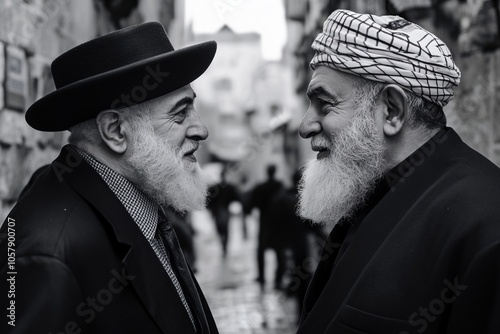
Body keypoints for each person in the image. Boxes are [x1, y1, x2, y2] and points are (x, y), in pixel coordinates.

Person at [0, 22, 218, 333]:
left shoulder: (139, 201)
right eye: (180, 113)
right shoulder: (48, 251)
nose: (201, 129)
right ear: (115, 131)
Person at [296, 9, 500, 334]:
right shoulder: (373, 191)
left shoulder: (485, 223)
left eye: (325, 103)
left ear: (392, 110)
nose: (305, 126)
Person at [249, 164, 284, 290]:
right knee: (279, 250)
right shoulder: (279, 186)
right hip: (276, 222)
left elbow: (253, 204)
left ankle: (262, 276)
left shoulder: (260, 187)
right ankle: (278, 279)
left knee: (261, 250)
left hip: (264, 221)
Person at [207, 167, 240, 257]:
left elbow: (210, 200)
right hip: (221, 211)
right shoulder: (224, 187)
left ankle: (224, 244)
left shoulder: (218, 187)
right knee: (223, 229)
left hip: (221, 211)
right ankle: (224, 244)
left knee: (222, 229)